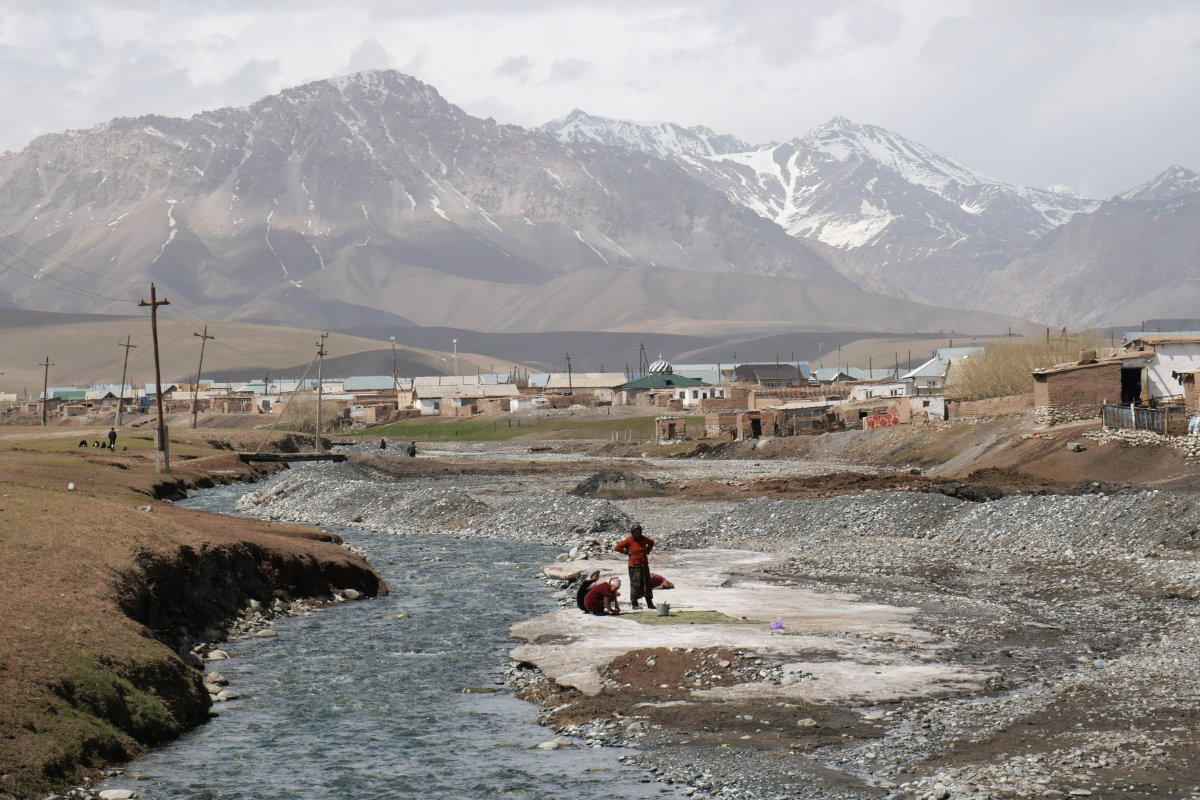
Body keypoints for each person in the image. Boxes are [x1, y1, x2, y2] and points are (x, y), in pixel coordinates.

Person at [615, 523, 655, 610]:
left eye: (638, 532)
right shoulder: (629, 541)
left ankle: (649, 603)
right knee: (635, 584)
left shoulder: (644, 539)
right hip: (634, 566)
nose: (637, 534)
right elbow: (617, 547)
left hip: (644, 565)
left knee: (646, 584)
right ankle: (634, 603)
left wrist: (647, 551)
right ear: (632, 532)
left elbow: (651, 542)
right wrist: (626, 552)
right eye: (635, 532)